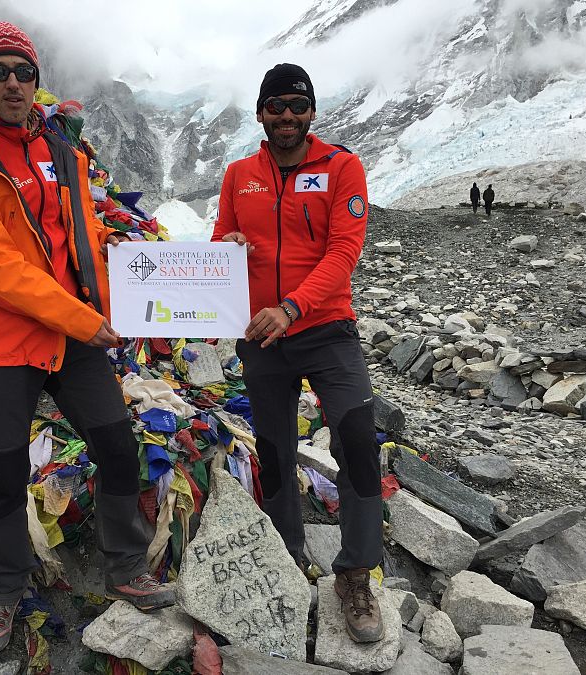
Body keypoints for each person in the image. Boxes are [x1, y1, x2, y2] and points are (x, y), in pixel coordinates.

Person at [0, 21, 173, 656]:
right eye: (0, 71)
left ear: (38, 81)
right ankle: (4, 589)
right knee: (5, 469)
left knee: (118, 447)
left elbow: (80, 241)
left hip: (75, 329)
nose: (13, 83)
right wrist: (83, 318)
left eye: (24, 72)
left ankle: (126, 566)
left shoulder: (60, 149)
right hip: (6, 337)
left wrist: (137, 281)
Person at [212, 63, 384, 643]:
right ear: (260, 114)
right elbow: (220, 246)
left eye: (296, 105)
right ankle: (287, 550)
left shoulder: (342, 167)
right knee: (274, 447)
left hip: (326, 327)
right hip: (262, 336)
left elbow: (343, 253)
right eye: (274, 106)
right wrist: (229, 247)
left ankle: (355, 573)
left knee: (358, 438)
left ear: (311, 112)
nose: (286, 116)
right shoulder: (239, 175)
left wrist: (291, 307)